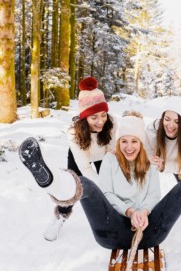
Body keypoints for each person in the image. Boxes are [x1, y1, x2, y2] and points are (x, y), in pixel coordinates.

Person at [19, 111, 181, 250]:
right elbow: (107, 194)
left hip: (150, 232)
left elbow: (154, 195)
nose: (129, 146)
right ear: (118, 143)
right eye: (124, 141)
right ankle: (49, 178)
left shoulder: (148, 164)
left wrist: (145, 212)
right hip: (111, 232)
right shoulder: (109, 161)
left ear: (141, 144)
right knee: (86, 186)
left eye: (134, 141)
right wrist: (129, 212)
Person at [20, 76, 117, 242]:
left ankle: (114, 215)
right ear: (85, 117)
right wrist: (98, 188)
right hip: (81, 155)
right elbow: (86, 169)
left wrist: (108, 182)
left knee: (112, 182)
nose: (101, 121)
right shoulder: (74, 133)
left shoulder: (112, 123)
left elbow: (111, 150)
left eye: (103, 115)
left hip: (104, 153)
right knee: (74, 185)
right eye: (94, 117)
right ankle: (61, 216)